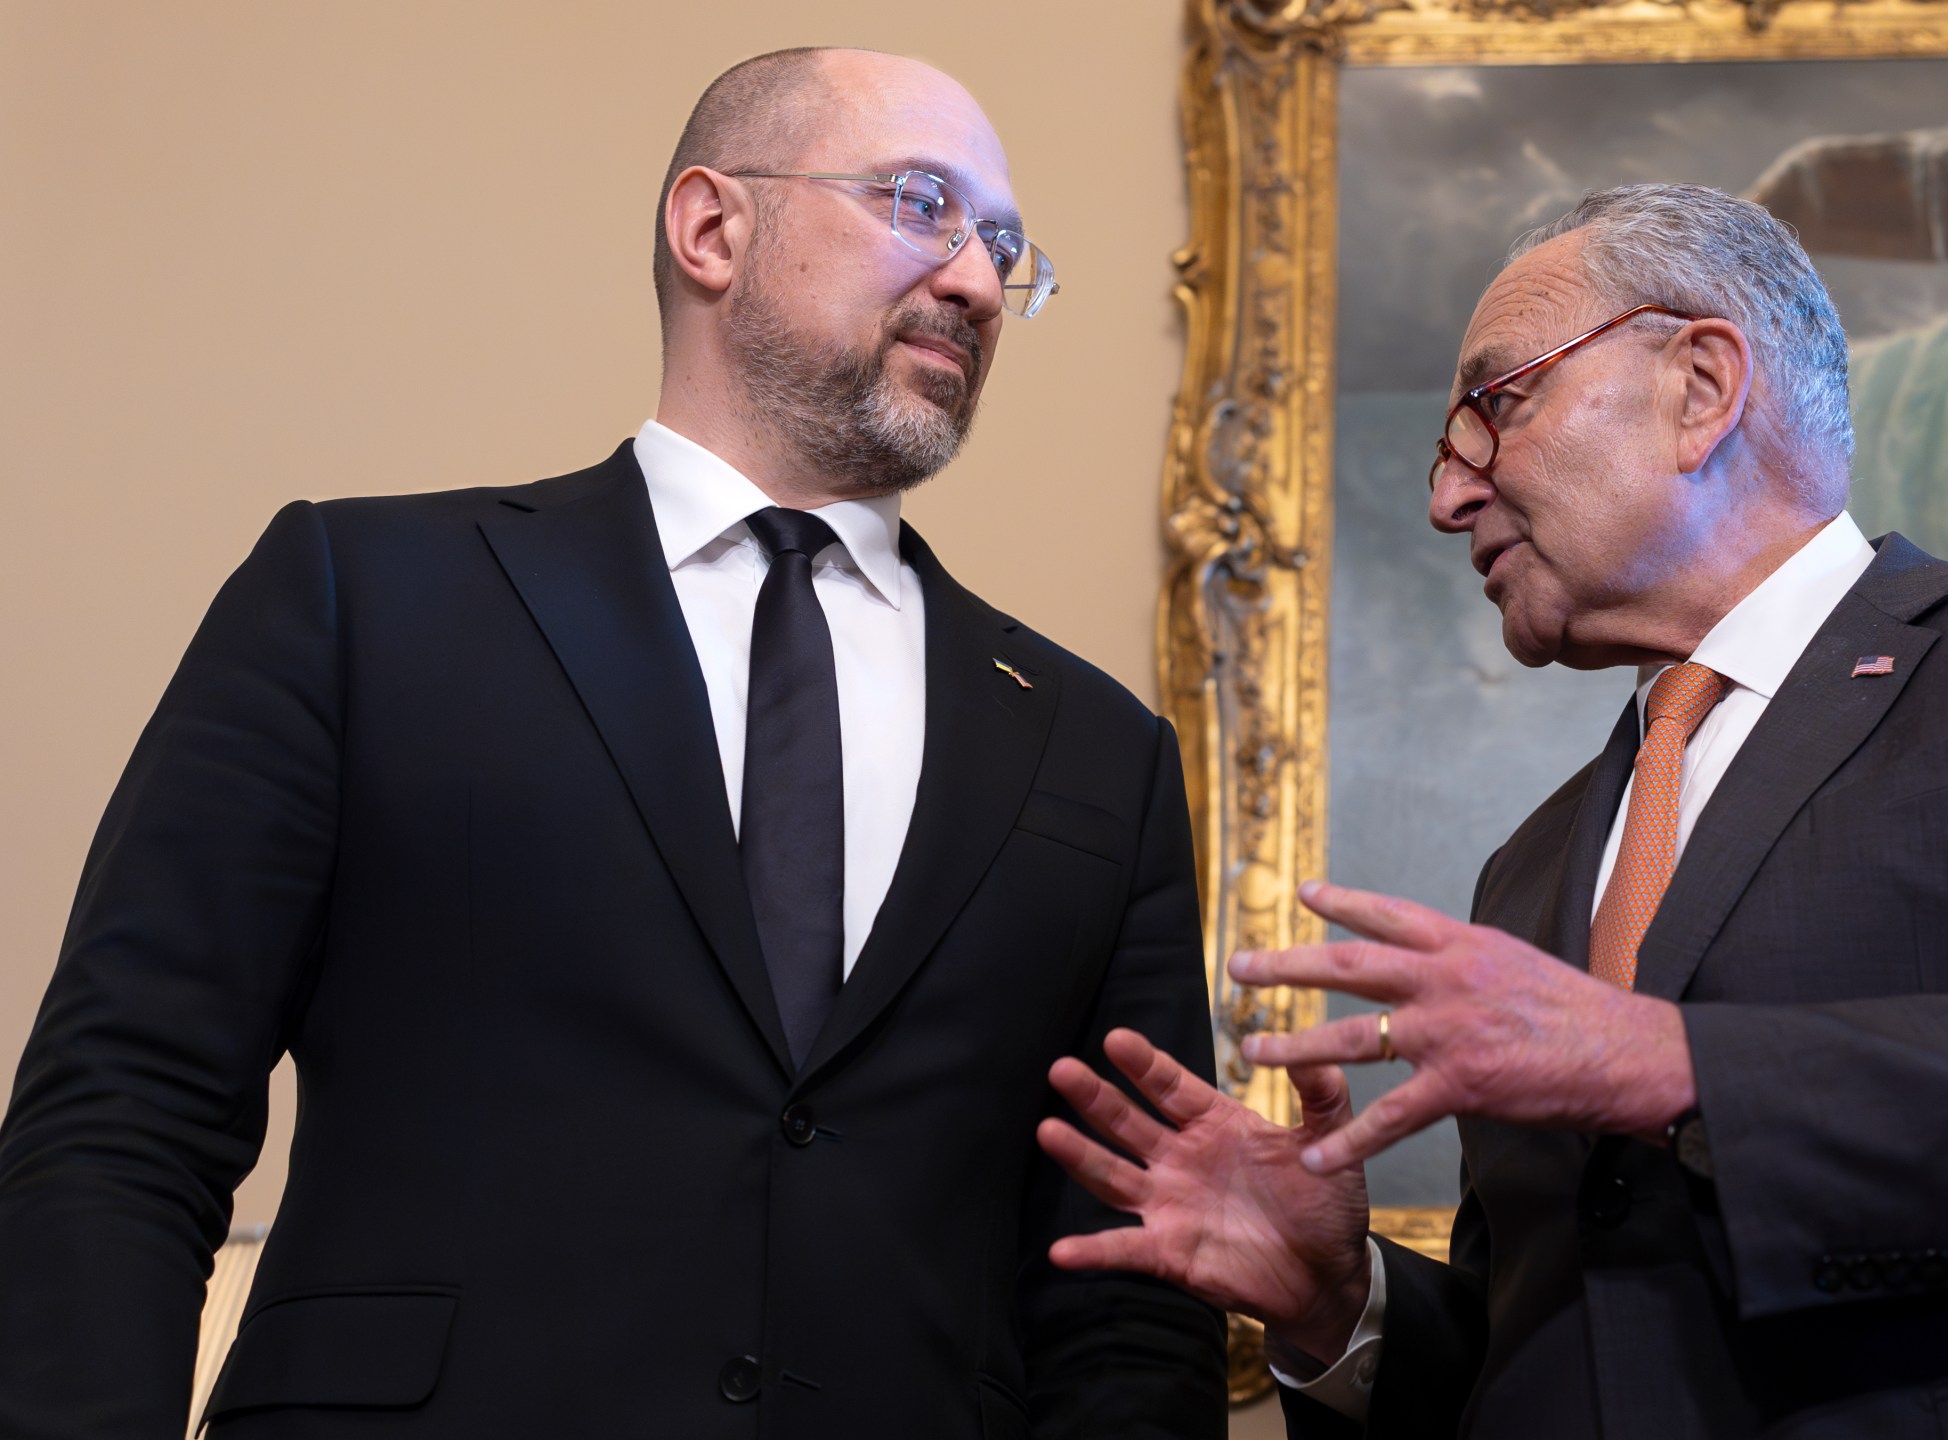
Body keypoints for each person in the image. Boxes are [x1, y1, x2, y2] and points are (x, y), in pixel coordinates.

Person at [0, 48, 1223, 1439]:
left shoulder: (1098, 752)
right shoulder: (366, 600)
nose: (979, 284)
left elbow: (1129, 1304)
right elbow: (126, 1112)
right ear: (711, 227)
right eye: (919, 205)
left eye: (1003, 247)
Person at [1037, 184, 1948, 1438]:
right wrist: (1340, 1302)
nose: (1447, 497)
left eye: (1494, 408)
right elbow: (1559, 1355)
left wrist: (1668, 1063)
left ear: (1701, 387)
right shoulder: (1531, 869)